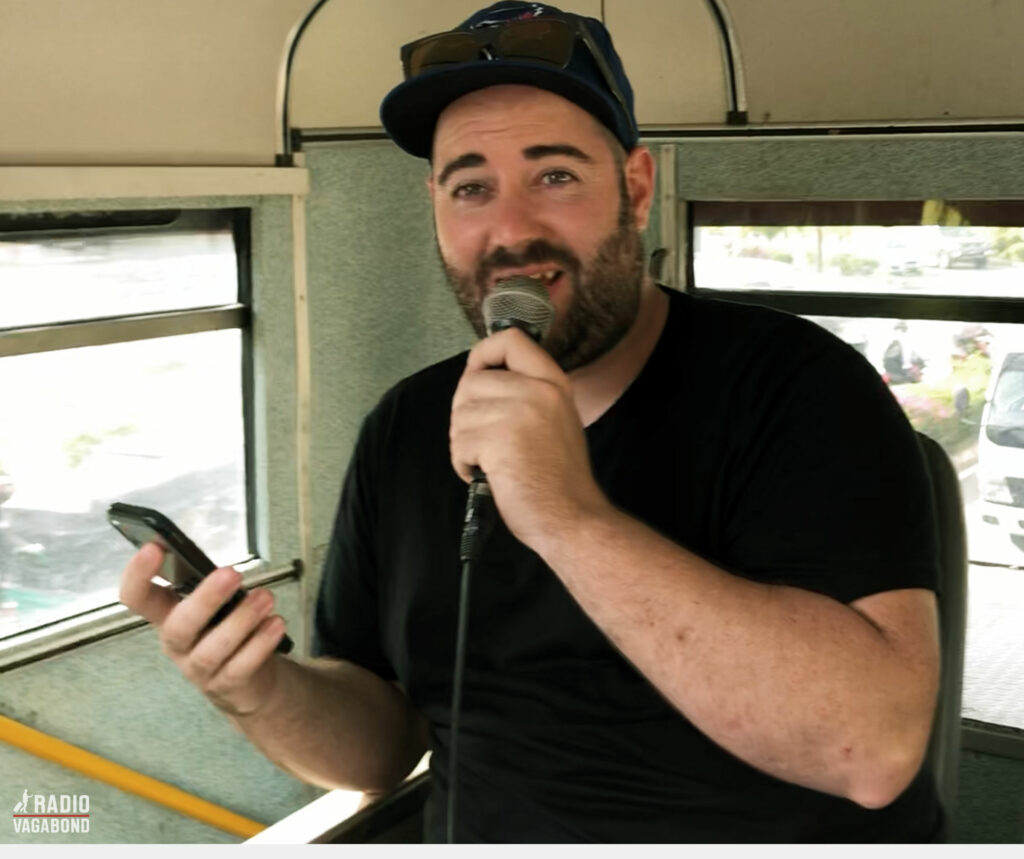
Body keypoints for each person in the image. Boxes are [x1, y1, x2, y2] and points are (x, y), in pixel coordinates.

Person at [119, 2, 944, 843]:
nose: (510, 231)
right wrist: (258, 689)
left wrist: (563, 513)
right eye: (471, 187)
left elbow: (869, 751)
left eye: (555, 175)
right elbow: (379, 753)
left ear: (635, 186)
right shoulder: (403, 426)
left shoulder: (799, 382)